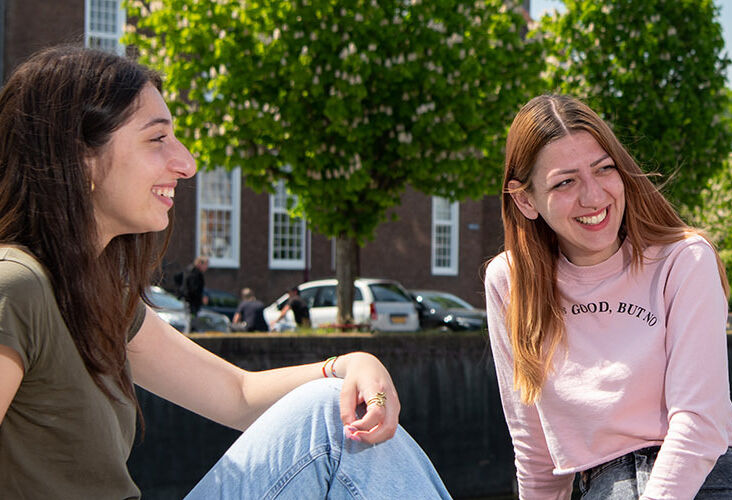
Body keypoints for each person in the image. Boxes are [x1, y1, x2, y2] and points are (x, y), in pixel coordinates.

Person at [0, 46, 451, 498]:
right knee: (329, 426)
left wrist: (350, 364)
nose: (187, 163)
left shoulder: (96, 295)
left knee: (330, 413)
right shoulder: (15, 287)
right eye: (158, 139)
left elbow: (237, 395)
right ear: (80, 156)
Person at [485, 94, 732, 499]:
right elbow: (534, 450)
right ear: (525, 199)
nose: (594, 196)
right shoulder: (510, 282)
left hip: (708, 479)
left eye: (604, 169)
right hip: (603, 485)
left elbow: (699, 422)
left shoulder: (683, 260)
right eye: (565, 182)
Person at [181, 255, 207, 332]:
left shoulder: (191, 271)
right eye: (205, 265)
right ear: (200, 264)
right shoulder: (194, 273)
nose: (206, 268)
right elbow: (193, 288)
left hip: (191, 301)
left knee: (192, 319)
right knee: (192, 320)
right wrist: (201, 298)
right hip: (192, 302)